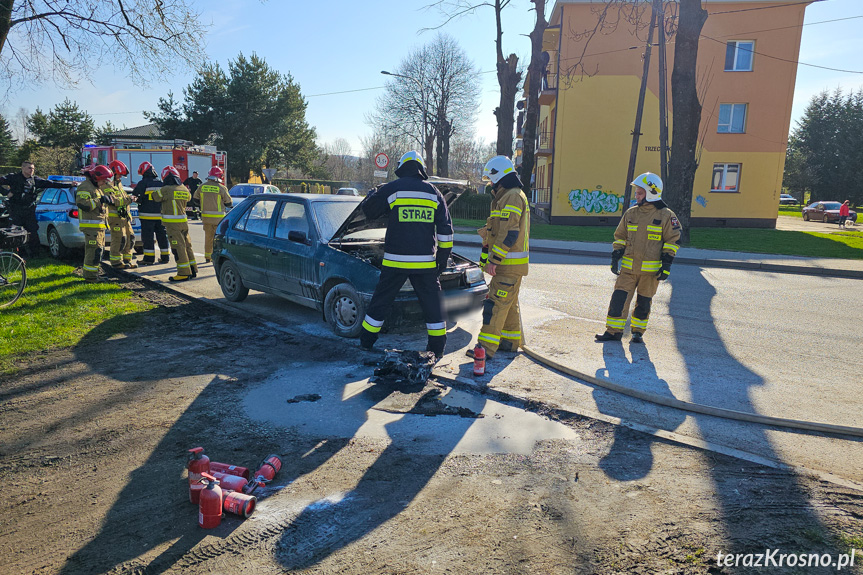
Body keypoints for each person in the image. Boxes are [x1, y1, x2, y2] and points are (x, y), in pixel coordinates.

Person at [358, 151, 453, 360]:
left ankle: (366, 341)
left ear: (402, 167)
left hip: (395, 261)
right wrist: (442, 260)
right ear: (421, 168)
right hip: (425, 263)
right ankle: (437, 348)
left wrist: (373, 193)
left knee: (381, 301)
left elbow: (369, 211)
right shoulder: (434, 192)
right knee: (433, 304)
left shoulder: (392, 188)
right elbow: (446, 230)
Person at [595, 172, 680, 344]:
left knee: (643, 303)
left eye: (640, 193)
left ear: (651, 193)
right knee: (618, 300)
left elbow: (673, 239)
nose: (637, 196)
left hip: (650, 273)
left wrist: (666, 264)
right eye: (636, 192)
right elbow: (620, 235)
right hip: (628, 270)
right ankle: (613, 332)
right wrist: (616, 254)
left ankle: (637, 333)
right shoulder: (631, 213)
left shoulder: (666, 215)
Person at [466, 155, 530, 360]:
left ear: (500, 176)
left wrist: (494, 260)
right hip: (511, 265)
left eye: (492, 179)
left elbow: (509, 233)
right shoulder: (507, 196)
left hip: (506, 264)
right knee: (508, 305)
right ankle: (509, 342)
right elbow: (500, 229)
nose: (490, 183)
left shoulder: (511, 196)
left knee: (494, 305)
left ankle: (484, 349)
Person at [0, 161, 55, 258]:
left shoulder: (34, 180)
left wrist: (69, 184)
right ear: (23, 168)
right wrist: (6, 192)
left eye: (33, 168)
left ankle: (35, 254)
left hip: (29, 210)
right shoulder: (13, 177)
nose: (31, 170)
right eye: (29, 168)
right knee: (17, 233)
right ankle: (21, 255)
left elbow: (50, 184)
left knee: (33, 232)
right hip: (16, 210)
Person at [152, 166, 196, 282]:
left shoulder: (166, 189)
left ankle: (183, 273)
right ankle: (192, 269)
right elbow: (189, 198)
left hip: (172, 224)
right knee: (187, 246)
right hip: (183, 223)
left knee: (178, 248)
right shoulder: (183, 189)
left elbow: (155, 197)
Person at [75, 165, 114, 281]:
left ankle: (93, 274)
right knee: (93, 251)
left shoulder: (95, 187)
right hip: (90, 226)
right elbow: (84, 204)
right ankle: (90, 277)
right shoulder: (85, 187)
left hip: (97, 226)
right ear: (96, 178)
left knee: (97, 251)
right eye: (103, 181)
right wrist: (100, 200)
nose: (103, 183)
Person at [132, 162, 171, 265]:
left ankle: (149, 259)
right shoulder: (160, 183)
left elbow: (135, 196)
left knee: (148, 238)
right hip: (160, 216)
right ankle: (165, 257)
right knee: (162, 236)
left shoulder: (142, 183)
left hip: (146, 216)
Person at [193, 166, 232, 263]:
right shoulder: (221, 188)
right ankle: (217, 257)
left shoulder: (202, 187)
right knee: (218, 239)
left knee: (208, 237)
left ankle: (207, 257)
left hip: (206, 218)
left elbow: (195, 199)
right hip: (219, 219)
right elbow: (229, 203)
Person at [106, 160, 137, 269]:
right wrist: (129, 199)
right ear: (113, 173)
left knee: (130, 238)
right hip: (115, 218)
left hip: (124, 217)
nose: (120, 177)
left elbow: (122, 198)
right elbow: (114, 201)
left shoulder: (119, 184)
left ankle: (127, 260)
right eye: (119, 175)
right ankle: (116, 262)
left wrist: (129, 199)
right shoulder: (107, 185)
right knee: (119, 239)